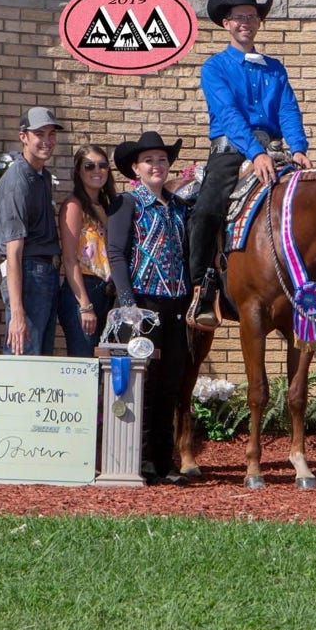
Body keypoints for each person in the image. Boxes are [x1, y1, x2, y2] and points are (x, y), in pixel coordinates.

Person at [186, 0, 311, 329]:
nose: (246, 22)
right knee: (206, 210)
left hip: (274, 149)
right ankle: (202, 288)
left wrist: (298, 148)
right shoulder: (214, 67)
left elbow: (288, 110)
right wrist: (254, 152)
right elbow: (227, 114)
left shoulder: (275, 68)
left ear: (258, 23)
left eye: (252, 16)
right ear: (226, 23)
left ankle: (310, 292)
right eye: (238, 16)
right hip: (231, 150)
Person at [106, 131, 191, 485]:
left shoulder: (179, 207)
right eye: (149, 161)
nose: (157, 166)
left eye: (162, 160)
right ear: (136, 169)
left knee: (170, 382)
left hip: (176, 304)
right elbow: (115, 253)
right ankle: (140, 461)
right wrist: (128, 305)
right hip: (142, 305)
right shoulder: (128, 203)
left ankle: (164, 460)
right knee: (145, 384)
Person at [0, 106, 63, 356]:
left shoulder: (42, 175)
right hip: (28, 273)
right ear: (23, 136)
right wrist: (17, 313)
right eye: (39, 134)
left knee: (41, 360)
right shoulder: (17, 182)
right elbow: (13, 252)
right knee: (24, 359)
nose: (47, 141)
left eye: (51, 134)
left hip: (45, 274)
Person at [57, 143, 116, 357]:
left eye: (102, 165)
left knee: (101, 364)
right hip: (83, 290)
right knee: (84, 362)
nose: (97, 171)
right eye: (89, 166)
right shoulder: (74, 205)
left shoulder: (106, 206)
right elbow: (69, 259)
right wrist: (85, 305)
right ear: (79, 171)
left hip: (106, 290)